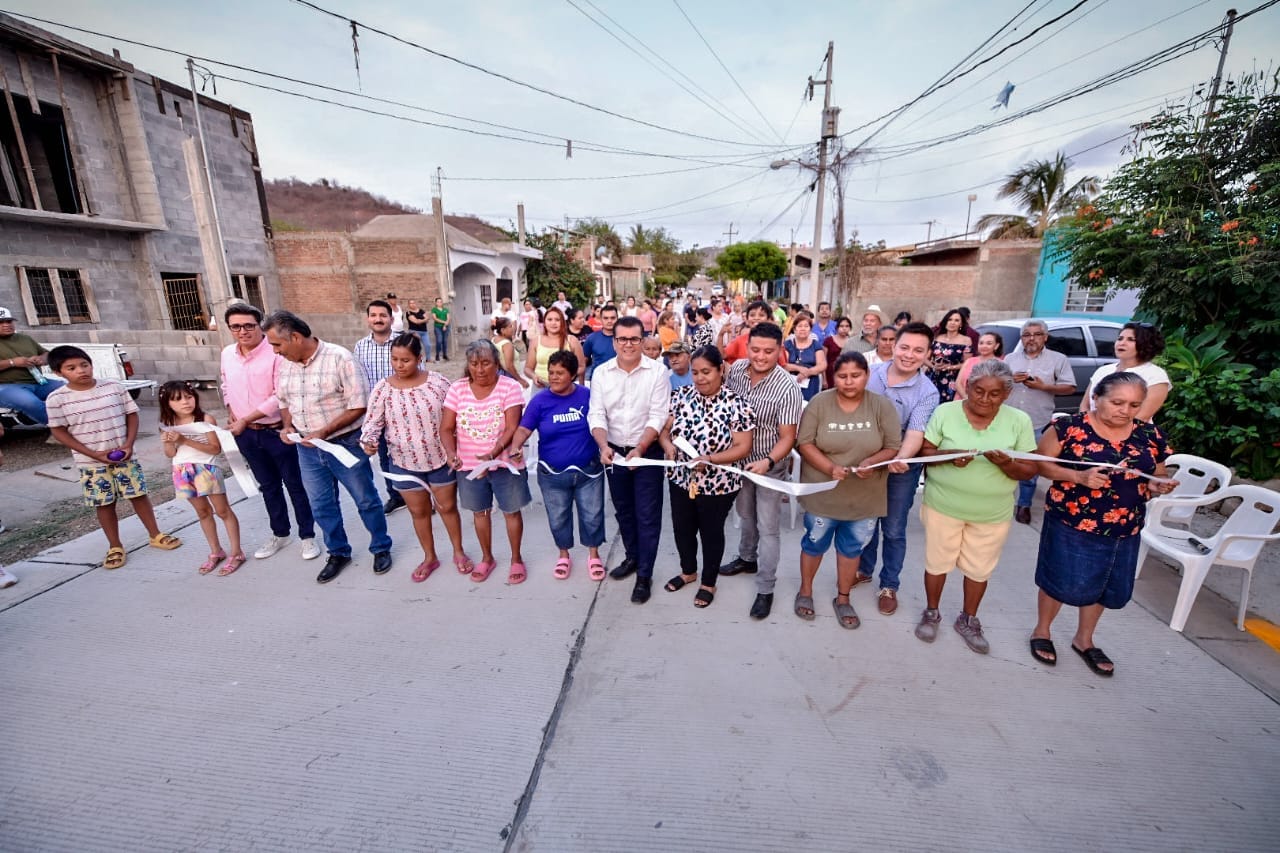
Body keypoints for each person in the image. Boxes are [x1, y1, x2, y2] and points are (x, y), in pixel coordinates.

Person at [1030, 372, 1177, 676]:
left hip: (1124, 525)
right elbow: (1040, 464)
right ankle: (1042, 631)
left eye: (1134, 405)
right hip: (1072, 521)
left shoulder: (1149, 435)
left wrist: (1159, 484)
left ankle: (1084, 639)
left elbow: (1158, 472)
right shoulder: (1068, 428)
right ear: (1097, 397)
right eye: (1117, 402)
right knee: (1059, 578)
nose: (1125, 410)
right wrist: (1078, 477)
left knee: (1105, 584)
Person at [915, 359, 1039, 653]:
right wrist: (949, 456)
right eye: (978, 390)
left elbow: (1030, 468)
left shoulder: (1018, 420)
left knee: (979, 569)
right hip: (943, 506)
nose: (984, 399)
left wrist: (1007, 463)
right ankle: (931, 612)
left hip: (991, 513)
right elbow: (926, 451)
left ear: (1006, 394)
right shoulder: (946, 412)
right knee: (936, 563)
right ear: (968, 387)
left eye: (994, 394)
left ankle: (968, 619)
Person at [265, 310, 392, 583]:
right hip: (308, 450)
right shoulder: (285, 364)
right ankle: (338, 552)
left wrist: (323, 431)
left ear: (296, 337)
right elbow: (284, 401)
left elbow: (359, 405)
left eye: (277, 344)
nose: (275, 351)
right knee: (321, 505)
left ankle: (380, 547)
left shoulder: (340, 358)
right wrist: (287, 427)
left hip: (344, 444)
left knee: (366, 500)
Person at [45, 345, 182, 570]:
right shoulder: (56, 399)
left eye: (84, 364)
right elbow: (58, 430)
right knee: (105, 503)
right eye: (71, 368)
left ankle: (155, 534)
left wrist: (128, 444)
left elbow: (131, 415)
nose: (81, 371)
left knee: (139, 495)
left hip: (125, 457)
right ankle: (115, 545)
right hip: (90, 463)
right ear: (58, 373)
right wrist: (93, 454)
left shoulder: (113, 388)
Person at [795, 352, 901, 627]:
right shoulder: (820, 403)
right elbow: (805, 443)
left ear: (866, 375)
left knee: (852, 549)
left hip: (864, 497)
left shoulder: (881, 406)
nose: (849, 382)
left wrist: (872, 462)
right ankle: (805, 591)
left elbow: (892, 446)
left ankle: (843, 598)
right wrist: (830, 467)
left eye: (856, 376)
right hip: (823, 494)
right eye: (842, 376)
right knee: (814, 543)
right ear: (833, 377)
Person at [358, 334, 467, 582]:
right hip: (403, 462)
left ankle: (458, 552)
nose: (399, 365)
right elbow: (373, 423)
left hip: (440, 458)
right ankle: (430, 557)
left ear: (420, 358)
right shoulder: (383, 389)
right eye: (395, 359)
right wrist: (369, 442)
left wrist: (459, 448)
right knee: (419, 512)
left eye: (406, 360)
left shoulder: (437, 383)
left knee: (448, 507)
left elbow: (456, 416)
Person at [219, 304, 319, 561]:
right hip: (245, 434)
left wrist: (246, 418)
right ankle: (280, 533)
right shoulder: (227, 354)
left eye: (249, 325)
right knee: (268, 486)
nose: (243, 331)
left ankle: (307, 536)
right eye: (236, 327)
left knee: (295, 485)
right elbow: (225, 384)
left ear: (259, 325)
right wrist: (231, 409)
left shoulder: (276, 352)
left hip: (277, 431)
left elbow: (279, 395)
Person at [659, 346, 755, 608]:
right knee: (682, 527)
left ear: (721, 369)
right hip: (681, 476)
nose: (700, 378)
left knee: (711, 531)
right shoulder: (680, 396)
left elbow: (742, 447)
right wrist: (667, 445)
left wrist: (709, 459)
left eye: (706, 372)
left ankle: (708, 581)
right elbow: (664, 431)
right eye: (695, 372)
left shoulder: (736, 404)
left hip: (719, 482)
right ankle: (688, 571)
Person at [719, 322, 804, 620]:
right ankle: (746, 558)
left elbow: (788, 437)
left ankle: (766, 588)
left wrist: (767, 461)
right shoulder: (738, 371)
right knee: (745, 515)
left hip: (770, 466)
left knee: (768, 527)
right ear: (747, 347)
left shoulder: (787, 387)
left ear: (780, 351)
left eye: (769, 351)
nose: (761, 356)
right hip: (739, 463)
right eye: (755, 349)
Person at [855, 322, 940, 616]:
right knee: (866, 522)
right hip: (865, 459)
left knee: (893, 528)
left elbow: (915, 433)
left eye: (918, 350)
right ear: (893, 345)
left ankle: (889, 584)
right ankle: (863, 569)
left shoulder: (928, 392)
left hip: (900, 467)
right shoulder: (870, 375)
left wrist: (899, 459)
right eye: (904, 347)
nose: (909, 355)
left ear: (928, 353)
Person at [587, 315, 670, 603]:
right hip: (613, 451)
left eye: (634, 338)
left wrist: (642, 447)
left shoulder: (658, 372)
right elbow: (596, 413)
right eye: (622, 339)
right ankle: (632, 557)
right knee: (623, 510)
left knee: (647, 515)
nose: (628, 344)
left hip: (646, 452)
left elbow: (658, 414)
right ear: (614, 341)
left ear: (643, 340)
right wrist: (602, 445)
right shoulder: (601, 373)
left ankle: (645, 575)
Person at [509, 351, 605, 581]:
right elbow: (524, 428)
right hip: (552, 474)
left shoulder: (588, 396)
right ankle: (564, 555)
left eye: (560, 373)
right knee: (558, 516)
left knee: (592, 515)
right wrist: (515, 446)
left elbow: (601, 422)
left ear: (573, 375)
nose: (553, 377)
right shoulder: (540, 401)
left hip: (588, 471)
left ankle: (594, 555)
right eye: (551, 372)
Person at [441, 339, 531, 584]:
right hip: (469, 467)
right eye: (474, 364)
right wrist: (451, 453)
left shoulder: (509, 387)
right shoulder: (457, 389)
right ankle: (487, 557)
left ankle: (516, 559)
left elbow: (513, 426)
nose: (480, 370)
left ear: (496, 363)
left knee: (511, 512)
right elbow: (446, 428)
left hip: (504, 464)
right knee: (480, 513)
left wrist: (493, 454)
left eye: (486, 363)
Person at [159, 381, 245, 576]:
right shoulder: (168, 424)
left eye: (188, 396)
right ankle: (216, 551)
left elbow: (215, 448)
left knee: (223, 511)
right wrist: (168, 442)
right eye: (177, 399)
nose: (185, 402)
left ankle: (236, 552)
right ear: (167, 403)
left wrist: (184, 440)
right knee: (203, 512)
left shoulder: (205, 419)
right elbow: (170, 453)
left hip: (206, 469)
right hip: (182, 470)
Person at [1003, 320, 1075, 524]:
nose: (1031, 338)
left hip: (1036, 420)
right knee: (1002, 460)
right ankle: (1000, 500)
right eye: (1026, 335)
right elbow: (998, 382)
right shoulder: (1010, 358)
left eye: (1036, 334)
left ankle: (1024, 504)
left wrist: (1044, 387)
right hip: (1007, 418)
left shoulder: (1058, 359)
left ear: (1045, 337)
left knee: (1030, 464)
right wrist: (1010, 380)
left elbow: (1069, 387)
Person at [354, 300, 406, 514]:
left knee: (408, 453)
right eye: (373, 315)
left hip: (402, 410)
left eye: (382, 315)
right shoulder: (360, 346)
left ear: (391, 319)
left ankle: (420, 495)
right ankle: (396, 496)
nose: (378, 319)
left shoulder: (403, 342)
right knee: (384, 457)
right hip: (376, 414)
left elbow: (418, 373)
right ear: (368, 319)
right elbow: (358, 379)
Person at [1082, 321, 1171, 422]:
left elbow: (1141, 417)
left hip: (1130, 434)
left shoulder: (1155, 375)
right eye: (1120, 338)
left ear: (1145, 344)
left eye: (1131, 340)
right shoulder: (1103, 370)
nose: (1122, 343)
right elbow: (1085, 405)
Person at [0, 306, 64, 425]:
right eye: (1, 322)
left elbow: (47, 354)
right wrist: (12, 362)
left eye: (8, 321)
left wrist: (41, 359)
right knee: (31, 403)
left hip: (39, 383)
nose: (6, 325)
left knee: (72, 389)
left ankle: (89, 420)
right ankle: (62, 428)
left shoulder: (25, 338)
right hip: (7, 387)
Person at [525, 307, 585, 388]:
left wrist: (568, 376)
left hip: (565, 387)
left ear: (562, 322)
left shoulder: (572, 341)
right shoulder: (536, 341)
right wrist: (533, 376)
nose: (553, 323)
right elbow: (528, 368)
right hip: (541, 387)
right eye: (549, 320)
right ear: (544, 323)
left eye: (557, 320)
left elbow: (581, 367)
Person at [722, 301, 790, 366]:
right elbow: (723, 355)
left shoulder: (776, 341)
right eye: (752, 315)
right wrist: (721, 335)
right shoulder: (740, 340)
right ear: (747, 319)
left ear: (769, 318)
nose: (756, 318)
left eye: (761, 315)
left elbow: (783, 365)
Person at [927, 308, 974, 403]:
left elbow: (967, 364)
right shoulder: (936, 337)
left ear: (961, 324)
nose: (952, 323)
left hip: (951, 380)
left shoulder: (966, 340)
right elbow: (924, 357)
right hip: (932, 378)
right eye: (950, 319)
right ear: (945, 322)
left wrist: (949, 367)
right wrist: (933, 366)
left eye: (956, 320)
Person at [783, 312, 827, 402]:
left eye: (806, 326)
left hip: (811, 384)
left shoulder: (815, 345)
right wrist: (799, 369)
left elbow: (822, 365)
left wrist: (807, 373)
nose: (803, 329)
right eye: (800, 326)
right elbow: (783, 364)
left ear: (810, 329)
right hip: (789, 383)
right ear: (794, 329)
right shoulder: (787, 344)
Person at [955, 331, 1006, 399]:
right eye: (981, 343)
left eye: (989, 343)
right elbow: (958, 383)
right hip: (961, 401)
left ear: (996, 346)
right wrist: (966, 397)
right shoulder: (969, 361)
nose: (984, 346)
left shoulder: (1001, 365)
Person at [582, 303, 619, 381]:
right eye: (606, 318)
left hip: (620, 380)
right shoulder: (591, 338)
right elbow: (583, 363)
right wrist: (582, 385)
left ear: (617, 319)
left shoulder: (625, 338)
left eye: (613, 318)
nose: (609, 321)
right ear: (601, 319)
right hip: (598, 380)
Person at [491, 318, 528, 389]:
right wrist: (520, 379)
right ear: (502, 330)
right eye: (510, 326)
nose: (513, 328)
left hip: (499, 374)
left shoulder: (494, 339)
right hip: (509, 376)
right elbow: (509, 366)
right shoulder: (507, 344)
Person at [823, 317, 854, 387]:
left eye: (847, 326)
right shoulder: (828, 341)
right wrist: (824, 379)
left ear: (850, 328)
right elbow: (823, 361)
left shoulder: (852, 342)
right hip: (830, 375)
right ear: (837, 328)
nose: (844, 328)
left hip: (847, 375)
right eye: (841, 326)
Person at [432, 297, 451, 361]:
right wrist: (444, 322)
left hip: (446, 327)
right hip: (438, 327)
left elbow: (448, 318)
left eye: (441, 302)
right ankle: (437, 354)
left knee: (445, 341)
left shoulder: (446, 309)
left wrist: (445, 325)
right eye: (438, 302)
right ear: (436, 303)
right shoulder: (434, 309)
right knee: (439, 341)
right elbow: (435, 318)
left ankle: (444, 355)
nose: (439, 303)